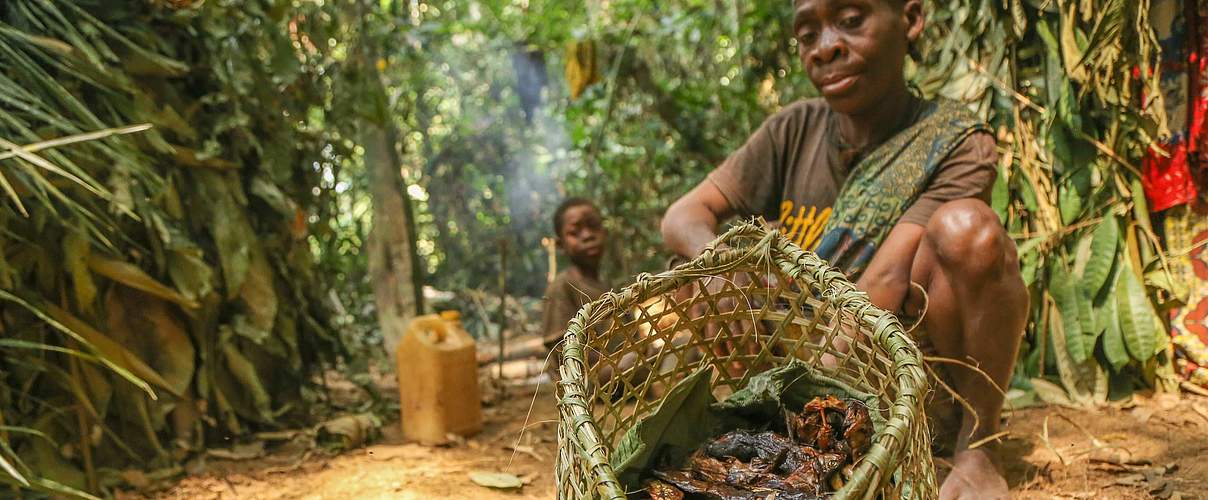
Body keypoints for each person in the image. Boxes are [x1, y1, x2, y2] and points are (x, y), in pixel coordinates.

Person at [660, 0, 1029, 498]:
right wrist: (729, 269)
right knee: (702, 268)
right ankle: (767, 437)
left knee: (968, 229)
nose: (826, 47)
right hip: (789, 359)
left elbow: (879, 288)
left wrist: (811, 411)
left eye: (851, 22)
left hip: (896, 371)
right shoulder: (793, 129)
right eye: (808, 34)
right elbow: (682, 217)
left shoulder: (954, 140)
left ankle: (977, 447)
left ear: (912, 19)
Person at [541, 197, 609, 370]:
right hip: (594, 390)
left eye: (593, 226)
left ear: (604, 231)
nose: (587, 235)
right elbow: (562, 352)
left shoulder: (607, 285)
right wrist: (615, 365)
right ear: (561, 245)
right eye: (575, 232)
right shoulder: (561, 288)